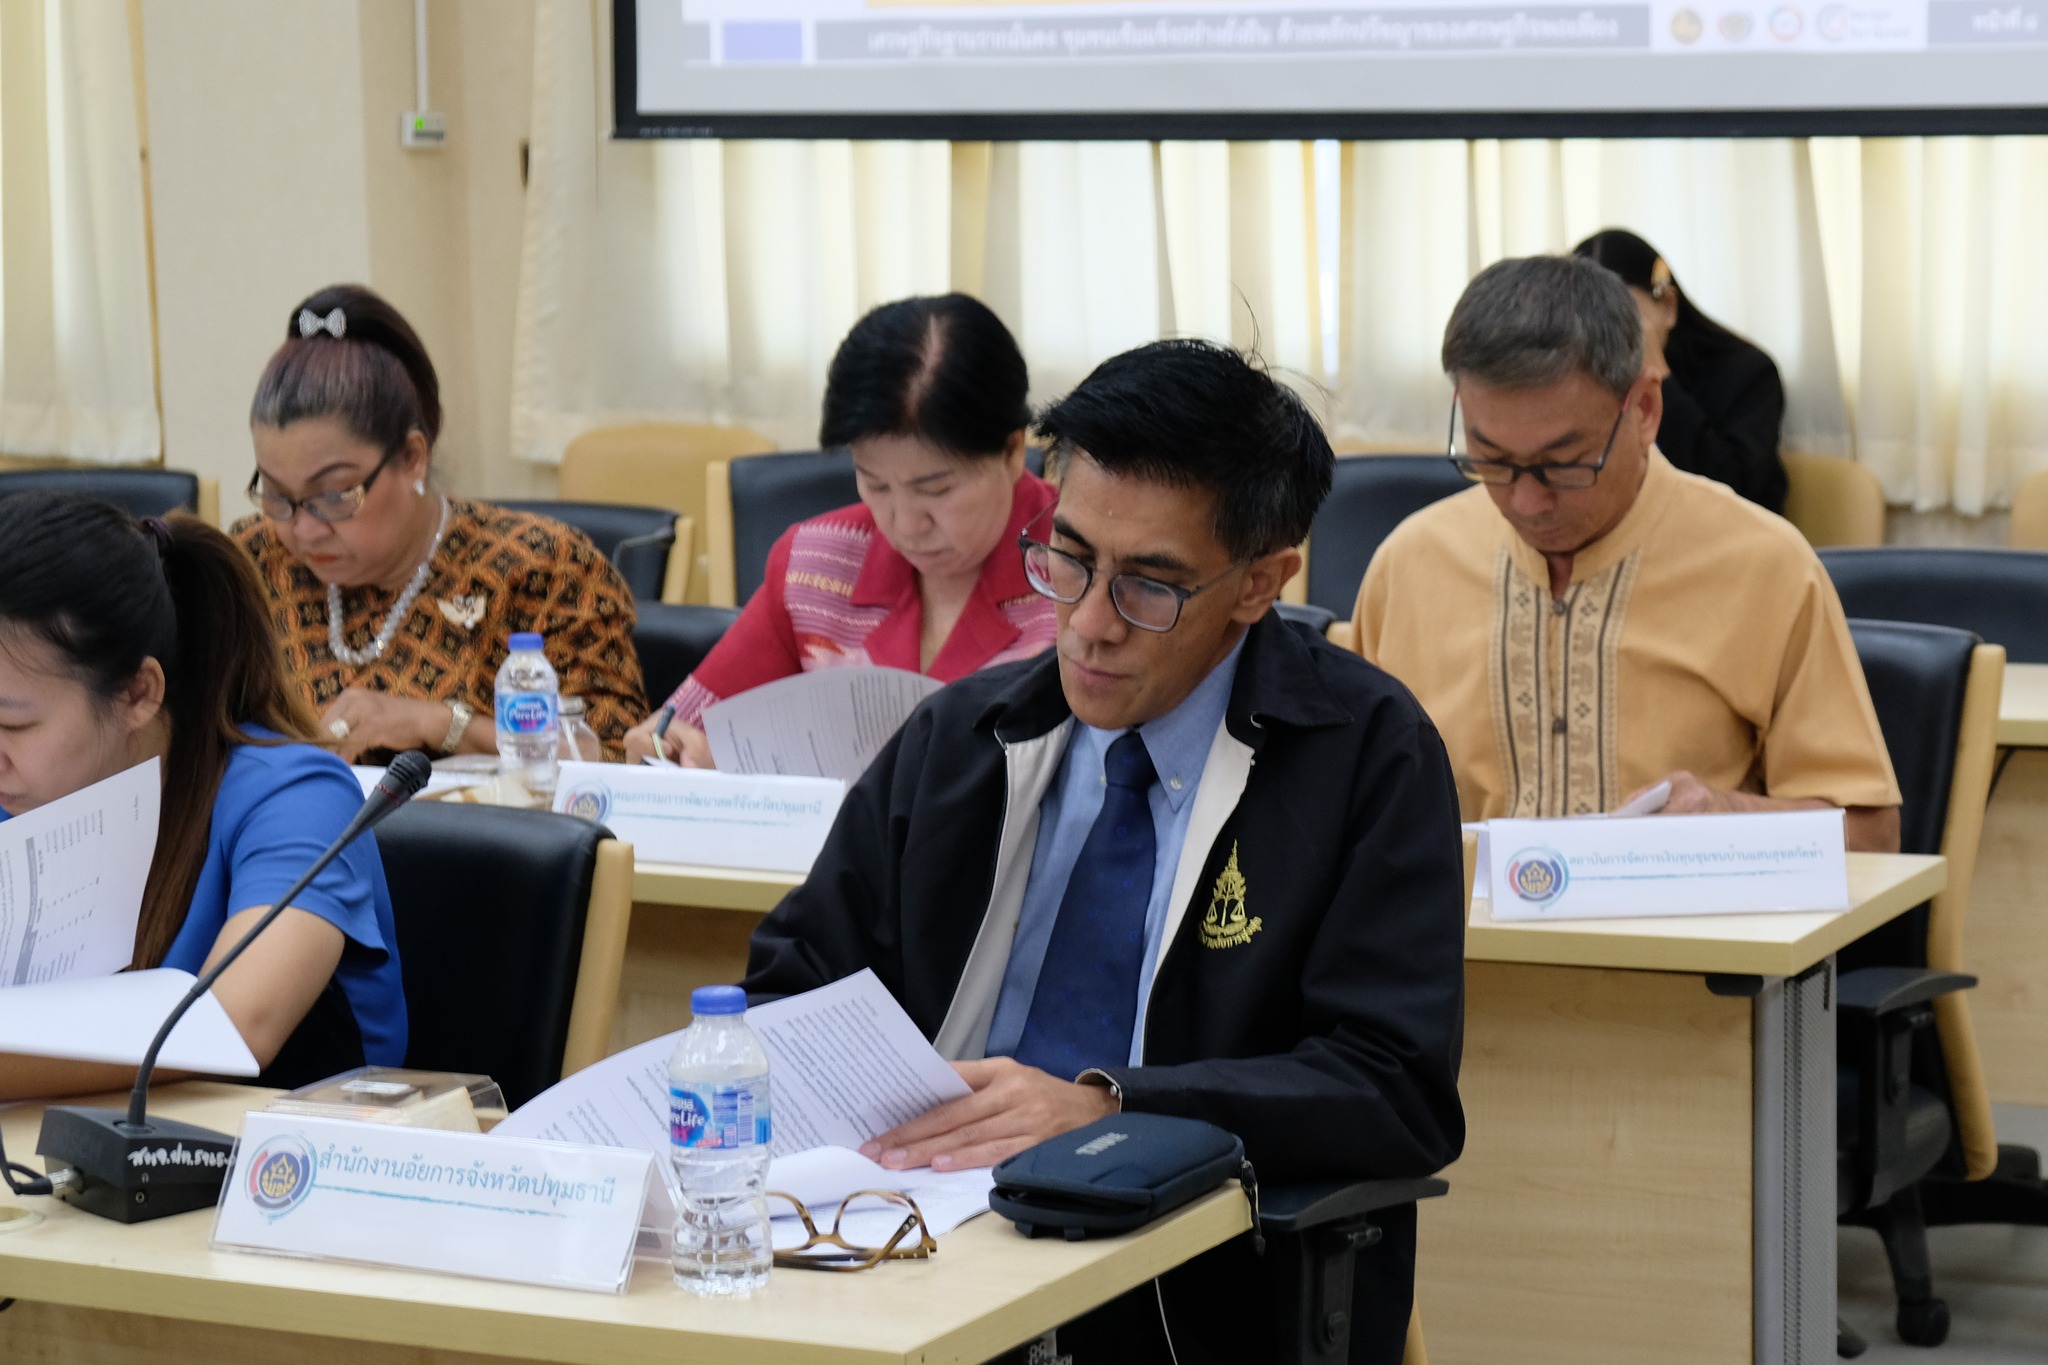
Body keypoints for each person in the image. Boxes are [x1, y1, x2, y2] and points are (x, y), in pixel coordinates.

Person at [746, 340, 1467, 1363]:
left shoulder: (1364, 757)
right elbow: (792, 989)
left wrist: (1110, 1109)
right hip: (911, 1261)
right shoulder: (963, 739)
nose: (1087, 624)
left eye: (1148, 587)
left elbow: (1391, 1087)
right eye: (1069, 558)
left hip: (1185, 1299)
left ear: (1261, 581)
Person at [1353, 254, 1900, 849]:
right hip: (1460, 913)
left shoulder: (1766, 566)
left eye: (1564, 463)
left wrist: (1729, 815)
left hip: (1683, 911)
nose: (1527, 501)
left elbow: (1872, 834)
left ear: (1644, 409)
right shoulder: (1409, 566)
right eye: (1492, 459)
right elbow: (1343, 803)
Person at [0, 493, 405, 1099]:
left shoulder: (296, 799)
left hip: (286, 1151)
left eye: (12, 725)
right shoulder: (23, 794)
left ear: (139, 693)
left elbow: (238, 1023)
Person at [624, 294, 1056, 766]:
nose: (905, 525)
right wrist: (671, 752)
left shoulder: (1081, 570)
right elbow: (685, 728)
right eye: (876, 485)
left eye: (936, 489)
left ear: (1013, 451)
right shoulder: (815, 568)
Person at [235, 284, 644, 765]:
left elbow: (620, 758)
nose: (303, 530)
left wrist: (440, 725)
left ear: (412, 457)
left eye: (334, 495)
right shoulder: (252, 563)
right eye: (278, 496)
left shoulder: (539, 569)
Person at [1574, 228, 1789, 512]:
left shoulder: (1748, 373)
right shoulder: (1578, 378)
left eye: (1621, 316)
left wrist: (1657, 375)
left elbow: (1734, 489)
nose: (1603, 337)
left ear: (1668, 306)